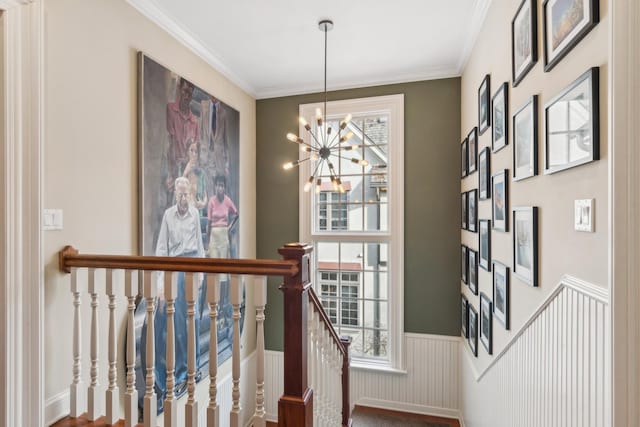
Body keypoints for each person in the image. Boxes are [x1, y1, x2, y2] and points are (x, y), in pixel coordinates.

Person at [138, 176, 205, 411]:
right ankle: (178, 374)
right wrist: (159, 282)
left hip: (193, 266)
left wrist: (201, 274)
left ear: (190, 194)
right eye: (179, 193)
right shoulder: (168, 215)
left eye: (186, 193)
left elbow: (199, 244)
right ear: (174, 194)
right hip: (173, 267)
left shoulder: (195, 215)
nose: (183, 197)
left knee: (194, 318)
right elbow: (161, 248)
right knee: (176, 321)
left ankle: (193, 370)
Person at [165, 78, 200, 202]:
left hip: (187, 170)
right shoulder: (171, 110)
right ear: (180, 89)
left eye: (189, 94)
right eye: (184, 91)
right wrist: (170, 172)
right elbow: (169, 142)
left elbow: (195, 152)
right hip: (173, 167)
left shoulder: (195, 121)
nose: (186, 96)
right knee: (170, 205)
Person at [207, 174, 238, 259]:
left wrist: (230, 226)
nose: (219, 188)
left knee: (223, 264)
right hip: (214, 235)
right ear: (215, 186)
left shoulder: (227, 200)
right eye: (217, 185)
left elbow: (236, 214)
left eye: (222, 186)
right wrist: (208, 242)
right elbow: (209, 222)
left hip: (224, 234)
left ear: (224, 188)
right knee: (214, 264)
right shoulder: (211, 201)